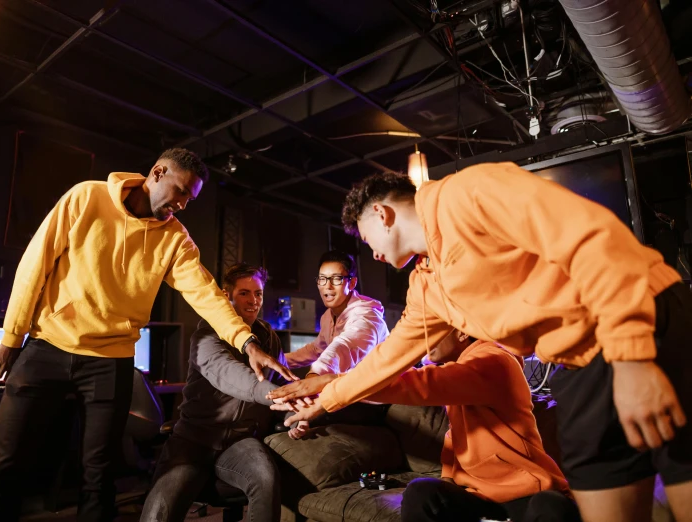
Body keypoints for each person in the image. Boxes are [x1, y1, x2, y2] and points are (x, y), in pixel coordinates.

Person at [271, 165, 692, 522]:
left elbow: (592, 238)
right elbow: (389, 358)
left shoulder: (467, 193)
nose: (374, 255)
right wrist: (325, 392)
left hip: (646, 315)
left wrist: (634, 357)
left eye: (367, 241)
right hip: (581, 361)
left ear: (381, 215)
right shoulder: (426, 284)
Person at [0, 149, 294, 522]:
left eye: (189, 200)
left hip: (111, 360)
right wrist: (12, 336)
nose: (181, 204)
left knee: (99, 477)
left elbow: (206, 295)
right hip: (48, 344)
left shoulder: (176, 239)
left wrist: (247, 342)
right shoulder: (86, 197)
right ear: (157, 172)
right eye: (179, 192)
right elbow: (36, 263)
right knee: (5, 464)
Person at [370, 329, 579, 522]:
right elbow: (456, 437)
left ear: (461, 333)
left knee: (549, 506)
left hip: (528, 492)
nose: (424, 341)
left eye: (432, 331)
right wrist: (447, 480)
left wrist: (345, 386)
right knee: (422, 493)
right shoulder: (460, 372)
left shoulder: (494, 360)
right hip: (480, 496)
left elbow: (420, 384)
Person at [141, 263, 288, 522]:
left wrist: (294, 418)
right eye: (244, 293)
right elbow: (231, 375)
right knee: (158, 512)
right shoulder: (207, 333)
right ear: (226, 295)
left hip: (241, 441)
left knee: (267, 478)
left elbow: (283, 387)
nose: (253, 300)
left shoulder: (269, 338)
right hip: (194, 440)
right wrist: (281, 397)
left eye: (258, 293)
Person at [281, 250, 389, 438]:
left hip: (373, 398)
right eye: (322, 279)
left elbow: (343, 346)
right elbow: (316, 349)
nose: (327, 286)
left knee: (290, 416)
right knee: (284, 413)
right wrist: (277, 361)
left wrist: (313, 379)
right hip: (344, 389)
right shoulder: (327, 317)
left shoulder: (367, 314)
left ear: (352, 282)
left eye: (336, 279)